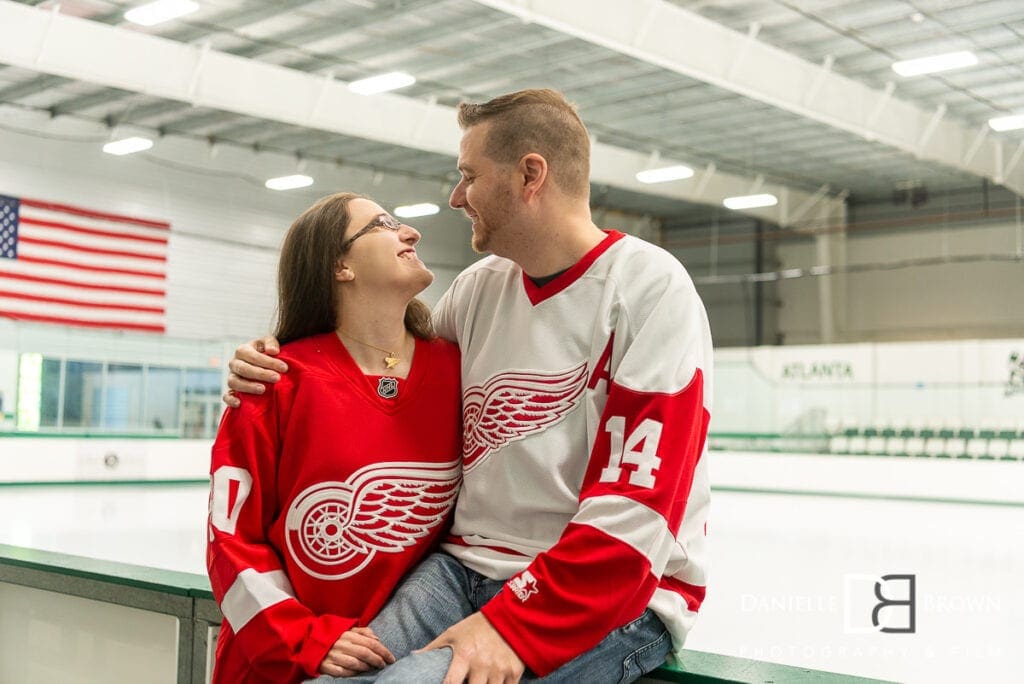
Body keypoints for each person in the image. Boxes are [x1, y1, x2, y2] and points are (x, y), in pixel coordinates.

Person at [227, 89, 712, 683]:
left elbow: (634, 515)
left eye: (469, 176)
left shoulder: (649, 287)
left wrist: (512, 624)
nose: (456, 198)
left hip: (612, 598)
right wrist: (270, 358)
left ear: (530, 175)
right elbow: (381, 364)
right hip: (460, 571)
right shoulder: (479, 289)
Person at [207, 192, 463, 683]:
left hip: (406, 658)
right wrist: (306, 637)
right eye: (384, 224)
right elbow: (230, 541)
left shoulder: (460, 371)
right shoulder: (274, 382)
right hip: (278, 663)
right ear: (340, 265)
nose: (411, 232)